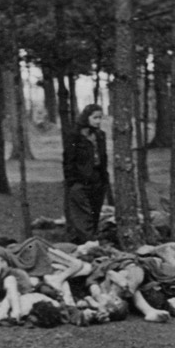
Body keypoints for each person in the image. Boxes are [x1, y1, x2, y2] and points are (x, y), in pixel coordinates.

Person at [63, 104, 110, 245]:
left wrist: (104, 179)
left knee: (95, 210)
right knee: (82, 213)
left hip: (97, 178)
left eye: (100, 118)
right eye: (95, 117)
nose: (98, 121)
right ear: (86, 117)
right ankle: (88, 242)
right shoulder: (75, 136)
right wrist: (72, 180)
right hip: (80, 179)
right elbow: (68, 160)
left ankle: (90, 240)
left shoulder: (100, 136)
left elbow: (103, 158)